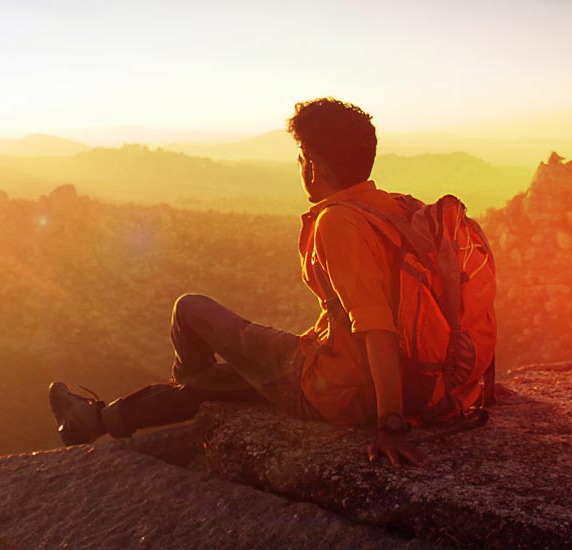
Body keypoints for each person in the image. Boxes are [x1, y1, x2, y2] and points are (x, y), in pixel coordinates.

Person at [49, 97, 426, 468]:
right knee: (242, 377)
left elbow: (378, 327)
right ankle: (97, 420)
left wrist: (389, 423)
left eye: (301, 158)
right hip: (396, 382)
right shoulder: (395, 209)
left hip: (338, 390)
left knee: (190, 310)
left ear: (313, 165)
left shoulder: (338, 222)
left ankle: (185, 390)